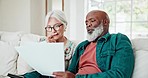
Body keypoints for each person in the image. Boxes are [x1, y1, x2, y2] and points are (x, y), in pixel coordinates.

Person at [53, 10, 135, 78]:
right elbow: (70, 72)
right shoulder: (81, 46)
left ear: (105, 22)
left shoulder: (118, 40)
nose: (88, 25)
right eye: (86, 23)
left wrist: (77, 77)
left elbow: (120, 74)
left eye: (92, 21)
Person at [23, 10, 76, 78]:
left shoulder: (72, 47)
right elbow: (38, 66)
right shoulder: (42, 41)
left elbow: (70, 73)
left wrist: (54, 50)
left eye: (56, 26)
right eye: (49, 27)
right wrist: (47, 46)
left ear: (64, 25)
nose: (53, 31)